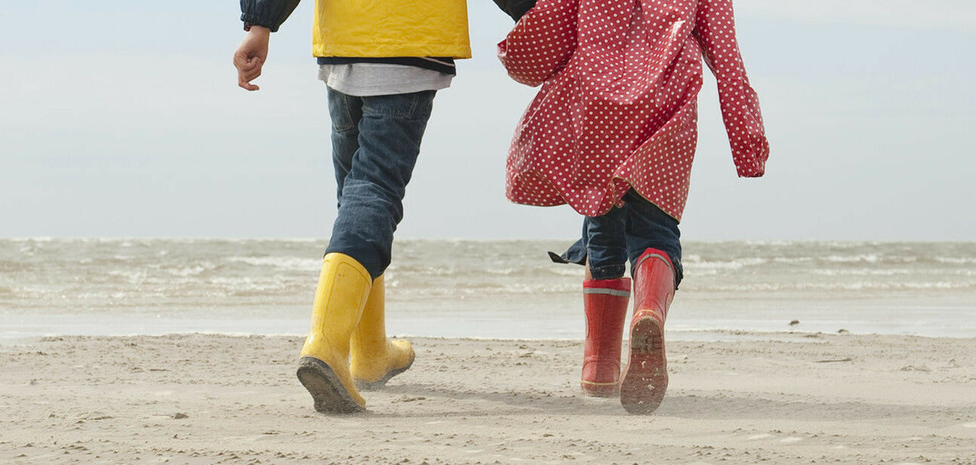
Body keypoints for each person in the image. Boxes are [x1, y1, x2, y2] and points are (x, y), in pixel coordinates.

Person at [234, 0, 533, 414]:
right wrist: (535, 11)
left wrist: (260, 24)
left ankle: (370, 350)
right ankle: (326, 342)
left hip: (344, 45)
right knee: (373, 190)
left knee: (355, 195)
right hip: (411, 43)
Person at [498, 0, 770, 414]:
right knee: (655, 230)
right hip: (667, 105)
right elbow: (727, 58)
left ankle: (599, 365)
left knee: (601, 217)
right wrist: (748, 142)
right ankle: (649, 311)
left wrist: (515, 55)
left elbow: (549, 26)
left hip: (595, 102)